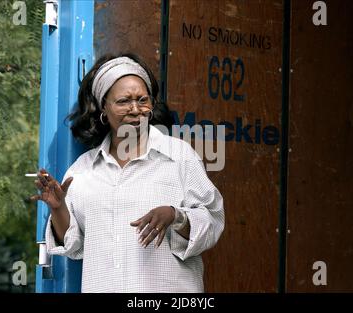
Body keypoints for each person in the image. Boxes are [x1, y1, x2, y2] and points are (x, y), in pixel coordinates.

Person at [31, 53, 225, 293]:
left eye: (142, 100)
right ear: (104, 108)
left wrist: (176, 216)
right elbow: (73, 246)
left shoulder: (179, 156)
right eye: (123, 101)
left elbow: (213, 220)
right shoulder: (83, 170)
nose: (135, 109)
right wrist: (58, 208)